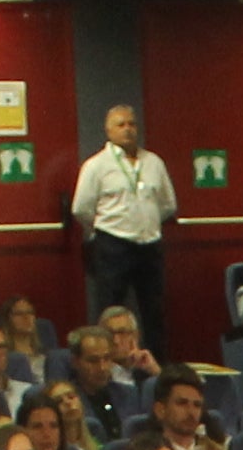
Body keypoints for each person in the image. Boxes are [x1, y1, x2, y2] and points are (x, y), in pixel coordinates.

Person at [67, 103, 177, 341]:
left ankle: (156, 367)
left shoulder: (153, 163)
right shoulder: (96, 165)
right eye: (121, 124)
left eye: (132, 124)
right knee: (110, 311)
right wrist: (104, 229)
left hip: (149, 245)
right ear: (108, 131)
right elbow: (81, 208)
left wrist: (145, 222)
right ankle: (110, 364)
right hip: (113, 245)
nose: (127, 129)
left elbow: (168, 204)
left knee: (154, 312)